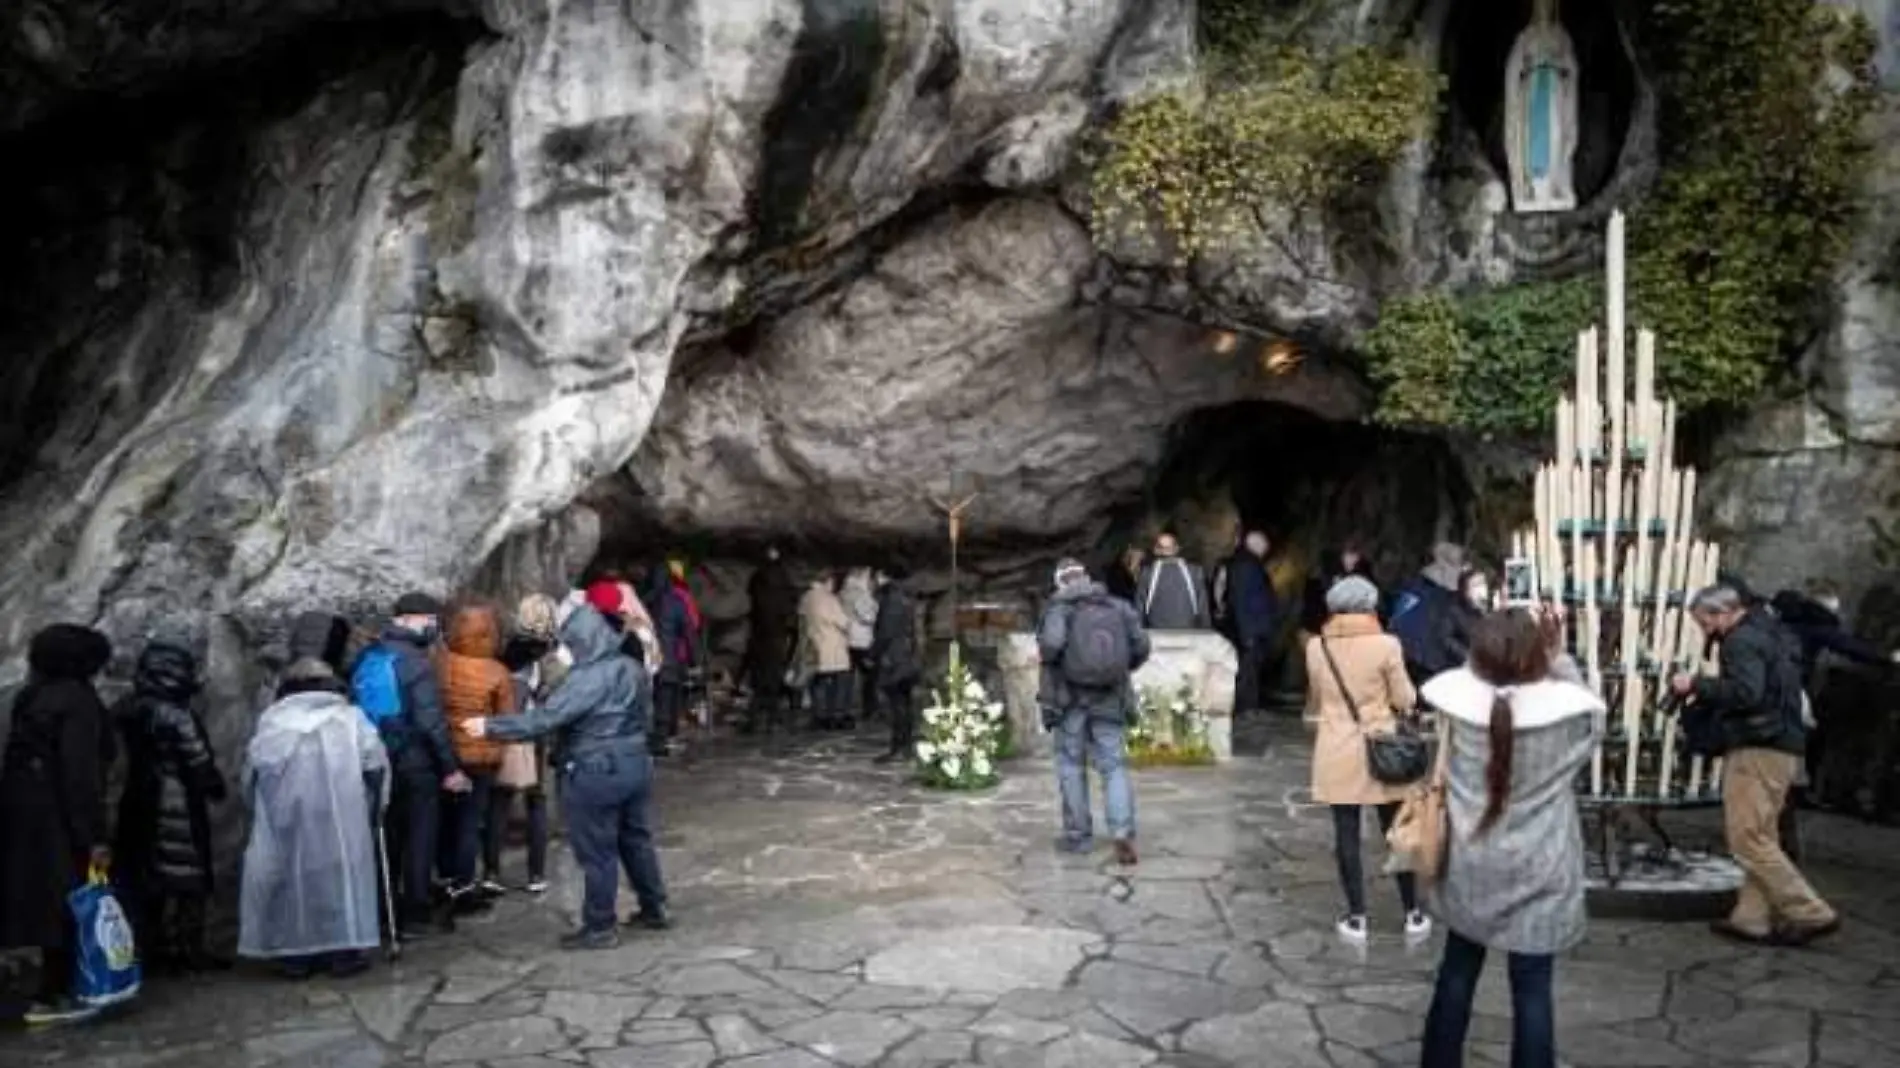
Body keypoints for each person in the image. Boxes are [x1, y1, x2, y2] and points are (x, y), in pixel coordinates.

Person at [1419, 608, 1604, 1068]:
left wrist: (1494, 656)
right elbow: (1591, 711)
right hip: (1542, 867)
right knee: (1533, 990)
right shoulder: (1569, 720)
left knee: (1457, 973)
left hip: (1469, 862)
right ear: (1539, 656)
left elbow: (1467, 684)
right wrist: (1559, 660)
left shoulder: (1457, 712)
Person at [462, 600, 669, 950]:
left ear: (582, 641)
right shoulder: (631, 667)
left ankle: (600, 926)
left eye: (570, 642)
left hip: (596, 767)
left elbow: (543, 720)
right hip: (635, 760)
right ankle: (654, 907)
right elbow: (646, 714)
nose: (566, 649)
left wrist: (489, 726)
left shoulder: (586, 679)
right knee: (636, 838)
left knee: (597, 850)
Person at [1674, 585, 1839, 946]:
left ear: (1721, 613)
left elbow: (1747, 692)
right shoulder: (1770, 632)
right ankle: (1751, 917)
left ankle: (1810, 911)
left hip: (1758, 746)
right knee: (1762, 834)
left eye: (1703, 622)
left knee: (1747, 837)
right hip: (1783, 745)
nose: (1704, 630)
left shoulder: (1740, 642)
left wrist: (1696, 684)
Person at [238, 657, 389, 979]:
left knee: (292, 883)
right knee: (340, 881)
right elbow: (373, 762)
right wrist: (377, 802)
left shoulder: (273, 721)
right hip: (341, 815)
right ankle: (343, 951)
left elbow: (252, 770)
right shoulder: (349, 718)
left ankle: (295, 955)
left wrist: (256, 807)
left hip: (287, 815)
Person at [0, 624, 114, 1025]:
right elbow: (79, 774)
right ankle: (57, 994)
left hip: (21, 814)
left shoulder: (30, 697)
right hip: (60, 820)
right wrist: (95, 835)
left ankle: (44, 992)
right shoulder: (78, 702)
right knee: (68, 904)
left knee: (36, 902)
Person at [1303, 577, 1428, 944]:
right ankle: (1413, 913)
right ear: (1371, 606)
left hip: (1336, 747)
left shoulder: (1316, 646)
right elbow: (1405, 698)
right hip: (1382, 749)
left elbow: (1319, 692)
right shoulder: (1387, 644)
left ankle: (1357, 917)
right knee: (1396, 832)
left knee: (1346, 835)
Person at [112, 637, 227, 975]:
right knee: (190, 883)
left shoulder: (125, 708)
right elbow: (198, 761)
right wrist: (215, 786)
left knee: (146, 883)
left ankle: (151, 949)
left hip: (137, 802)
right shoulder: (177, 715)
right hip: (178, 806)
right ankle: (190, 949)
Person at [357, 591, 467, 940]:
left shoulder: (369, 655)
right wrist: (450, 768)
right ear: (407, 619)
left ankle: (382, 911)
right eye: (429, 620)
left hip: (374, 760)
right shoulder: (416, 662)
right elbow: (431, 721)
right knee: (420, 837)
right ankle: (416, 913)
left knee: (385, 836)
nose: (433, 626)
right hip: (414, 763)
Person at [1038, 558, 1151, 866]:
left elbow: (1050, 647)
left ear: (1060, 582)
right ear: (1086, 578)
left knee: (1071, 765)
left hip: (1069, 700)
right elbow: (1142, 646)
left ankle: (1078, 836)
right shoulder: (1117, 606)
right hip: (1110, 697)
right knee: (1113, 766)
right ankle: (1122, 832)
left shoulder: (1059, 608)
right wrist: (1117, 668)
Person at [1768, 580, 1898, 809]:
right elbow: (1847, 646)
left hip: (1775, 682)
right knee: (1799, 735)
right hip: (1795, 686)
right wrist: (1887, 658)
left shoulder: (1788, 621)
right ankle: (1794, 789)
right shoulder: (1817, 624)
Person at [438, 602, 515, 905]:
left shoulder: (441, 663)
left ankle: (443, 876)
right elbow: (506, 719)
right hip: (482, 758)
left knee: (445, 818)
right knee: (471, 821)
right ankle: (464, 883)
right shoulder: (497, 671)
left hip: (447, 753)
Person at [494, 594, 565, 894]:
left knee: (499, 801)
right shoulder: (551, 654)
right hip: (536, 731)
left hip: (504, 728)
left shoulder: (503, 651)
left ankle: (491, 871)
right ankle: (536, 874)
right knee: (536, 801)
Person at [1389, 543, 1474, 685]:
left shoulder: (1410, 591)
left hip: (1408, 664)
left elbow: (1395, 625)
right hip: (1434, 668)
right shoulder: (1446, 598)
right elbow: (1447, 636)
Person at [743, 546, 798, 735]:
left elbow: (752, 603)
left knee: (759, 681)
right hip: (776, 636)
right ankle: (772, 719)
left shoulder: (757, 579)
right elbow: (790, 606)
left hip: (759, 636)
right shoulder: (784, 579)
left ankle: (754, 719)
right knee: (773, 680)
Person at [1224, 531, 1279, 717]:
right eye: (1264, 545)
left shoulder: (1250, 564)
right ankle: (1244, 707)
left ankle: (1251, 705)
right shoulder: (1246, 566)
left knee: (1252, 668)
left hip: (1256, 626)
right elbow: (1241, 600)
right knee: (1247, 669)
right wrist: (1246, 631)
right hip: (1251, 628)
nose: (1267, 549)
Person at [870, 568, 922, 763]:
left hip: (895, 658)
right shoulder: (906, 596)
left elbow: (886, 632)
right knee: (904, 704)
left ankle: (899, 747)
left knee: (898, 704)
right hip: (907, 656)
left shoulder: (892, 599)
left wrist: (873, 653)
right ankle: (905, 746)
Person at [800, 574, 854, 729]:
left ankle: (819, 714)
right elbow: (843, 622)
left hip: (814, 646)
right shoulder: (828, 599)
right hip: (833, 646)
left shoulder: (807, 597)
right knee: (839, 682)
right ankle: (837, 715)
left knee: (818, 683)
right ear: (828, 581)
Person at [1135, 533, 1212, 631]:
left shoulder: (1147, 574)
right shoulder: (1195, 572)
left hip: (1157, 634)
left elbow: (1139, 609)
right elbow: (1203, 608)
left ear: (1156, 550)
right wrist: (1207, 631)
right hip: (1189, 633)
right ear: (1176, 549)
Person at [1301, 543, 1378, 634]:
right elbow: (1312, 616)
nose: (1354, 558)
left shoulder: (1365, 573)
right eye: (1351, 552)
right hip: (1327, 630)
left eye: (1356, 553)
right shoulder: (1320, 580)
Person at [842, 567, 881, 720]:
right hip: (862, 640)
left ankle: (845, 708)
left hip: (848, 639)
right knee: (870, 677)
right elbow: (868, 616)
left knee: (849, 677)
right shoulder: (859, 593)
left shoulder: (844, 592)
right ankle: (870, 709)